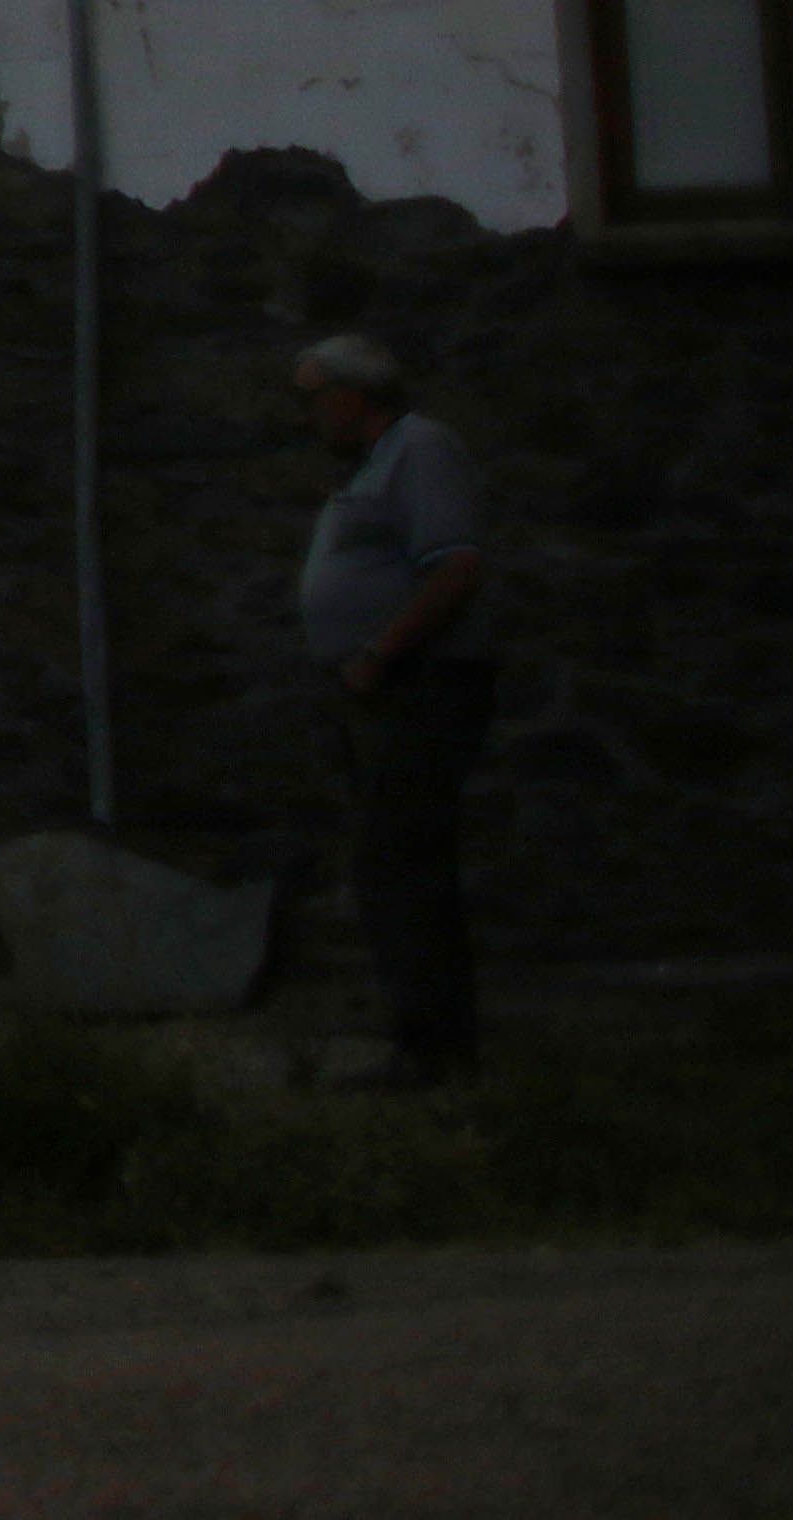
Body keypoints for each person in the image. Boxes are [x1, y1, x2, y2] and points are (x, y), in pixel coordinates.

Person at [295, 333, 491, 1083]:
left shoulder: (422, 448)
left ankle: (436, 1051)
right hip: (389, 690)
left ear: (355, 393)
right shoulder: (380, 465)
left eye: (315, 396)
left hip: (423, 684)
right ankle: (426, 1041)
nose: (310, 414)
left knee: (400, 865)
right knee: (392, 865)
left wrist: (379, 652)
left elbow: (456, 566)